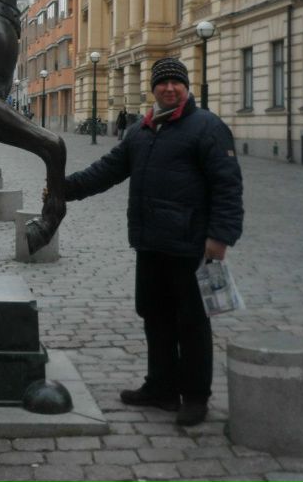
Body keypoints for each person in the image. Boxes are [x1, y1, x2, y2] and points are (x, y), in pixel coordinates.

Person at [61, 56, 243, 426]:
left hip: (190, 244)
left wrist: (220, 237)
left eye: (176, 82)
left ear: (186, 87)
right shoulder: (141, 131)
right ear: (154, 89)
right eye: (163, 83)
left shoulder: (207, 127)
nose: (170, 88)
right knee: (155, 316)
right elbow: (107, 170)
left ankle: (195, 396)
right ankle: (160, 387)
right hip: (150, 241)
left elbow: (228, 186)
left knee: (192, 322)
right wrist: (64, 189)